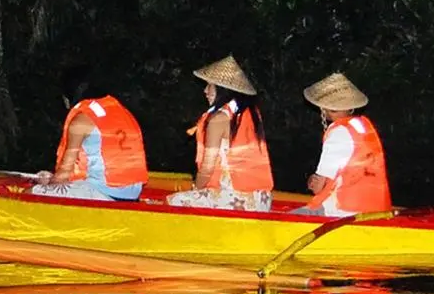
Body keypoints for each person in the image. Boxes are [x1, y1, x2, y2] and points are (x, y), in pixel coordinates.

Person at [166, 55, 275, 211]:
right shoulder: (251, 113)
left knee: (173, 201)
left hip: (237, 199)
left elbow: (207, 168)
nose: (205, 90)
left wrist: (196, 189)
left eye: (210, 85)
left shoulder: (219, 119)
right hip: (261, 199)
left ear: (223, 89)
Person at [31, 66, 149, 201]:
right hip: (132, 193)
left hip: (103, 192)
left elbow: (63, 176)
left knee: (30, 193)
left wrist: (46, 182)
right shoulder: (121, 112)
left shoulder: (80, 121)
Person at [296, 72, 391, 216]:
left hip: (343, 210)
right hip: (375, 207)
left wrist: (315, 183)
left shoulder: (338, 132)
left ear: (323, 108)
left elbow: (319, 186)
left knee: (288, 220)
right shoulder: (363, 126)